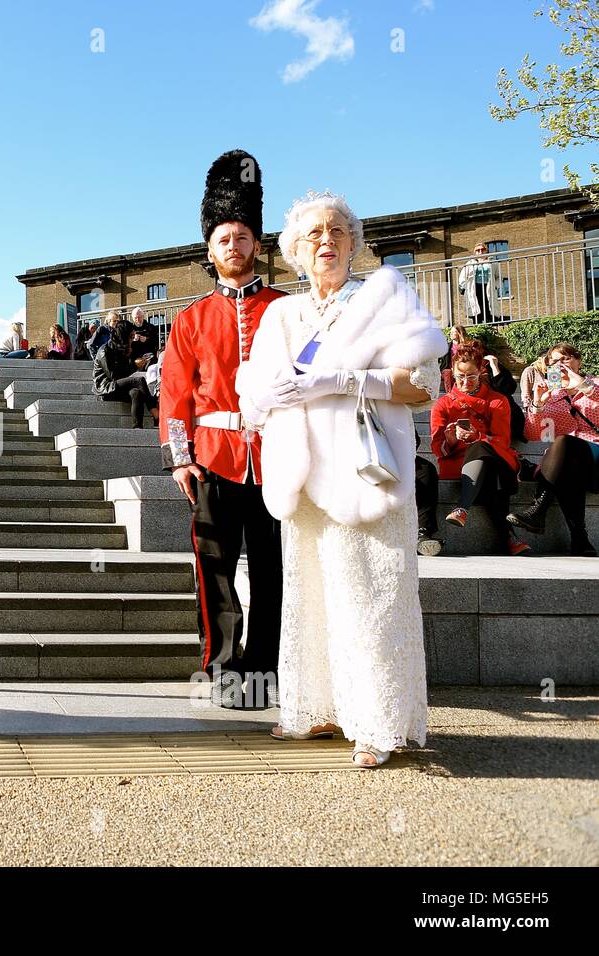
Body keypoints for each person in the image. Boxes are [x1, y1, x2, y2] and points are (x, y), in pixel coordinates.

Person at [236, 190, 448, 767]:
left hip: (367, 472)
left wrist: (344, 380)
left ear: (355, 243)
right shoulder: (281, 313)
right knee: (313, 594)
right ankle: (319, 708)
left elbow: (423, 384)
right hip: (302, 473)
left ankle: (377, 724)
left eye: (336, 231)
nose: (325, 241)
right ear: (295, 252)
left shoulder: (386, 299)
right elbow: (251, 394)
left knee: (372, 595)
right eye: (313, 235)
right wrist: (263, 395)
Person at [159, 150, 286, 710]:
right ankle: (224, 669)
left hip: (280, 457)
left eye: (241, 237)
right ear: (209, 252)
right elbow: (175, 394)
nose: (233, 247)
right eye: (223, 240)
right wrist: (181, 458)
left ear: (256, 244)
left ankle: (267, 670)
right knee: (214, 569)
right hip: (213, 457)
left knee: (272, 569)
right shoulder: (190, 318)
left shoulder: (288, 309)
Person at [430, 345, 527, 555]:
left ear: (482, 371)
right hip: (459, 463)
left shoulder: (497, 400)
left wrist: (478, 437)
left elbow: (503, 441)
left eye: (471, 376)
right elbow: (437, 448)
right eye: (460, 377)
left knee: (482, 448)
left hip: (495, 458)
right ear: (452, 374)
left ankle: (462, 507)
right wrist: (451, 438)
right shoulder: (443, 404)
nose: (465, 382)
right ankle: (508, 537)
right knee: (489, 475)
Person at [507, 342, 598, 556]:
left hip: (596, 461)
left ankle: (539, 508)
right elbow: (531, 435)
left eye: (565, 359)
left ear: (579, 361)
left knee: (564, 443)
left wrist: (582, 385)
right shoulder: (553, 396)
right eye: (554, 361)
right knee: (565, 460)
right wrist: (538, 404)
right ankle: (579, 539)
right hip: (574, 465)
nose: (560, 365)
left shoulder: (594, 384)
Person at [93, 322, 156, 428]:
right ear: (123, 336)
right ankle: (156, 414)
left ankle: (137, 428)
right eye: (131, 337)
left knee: (136, 393)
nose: (132, 340)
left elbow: (122, 375)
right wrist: (135, 366)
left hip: (117, 386)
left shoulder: (121, 348)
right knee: (139, 380)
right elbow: (114, 376)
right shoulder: (104, 351)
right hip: (106, 387)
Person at [457, 242, 503, 325]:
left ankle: (489, 327)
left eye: (483, 249)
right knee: (476, 309)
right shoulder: (470, 263)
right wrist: (464, 289)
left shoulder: (493, 262)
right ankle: (478, 326)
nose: (480, 252)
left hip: (488, 287)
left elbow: (499, 276)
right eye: (478, 250)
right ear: (475, 252)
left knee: (488, 307)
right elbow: (462, 278)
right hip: (474, 288)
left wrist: (496, 286)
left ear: (486, 251)